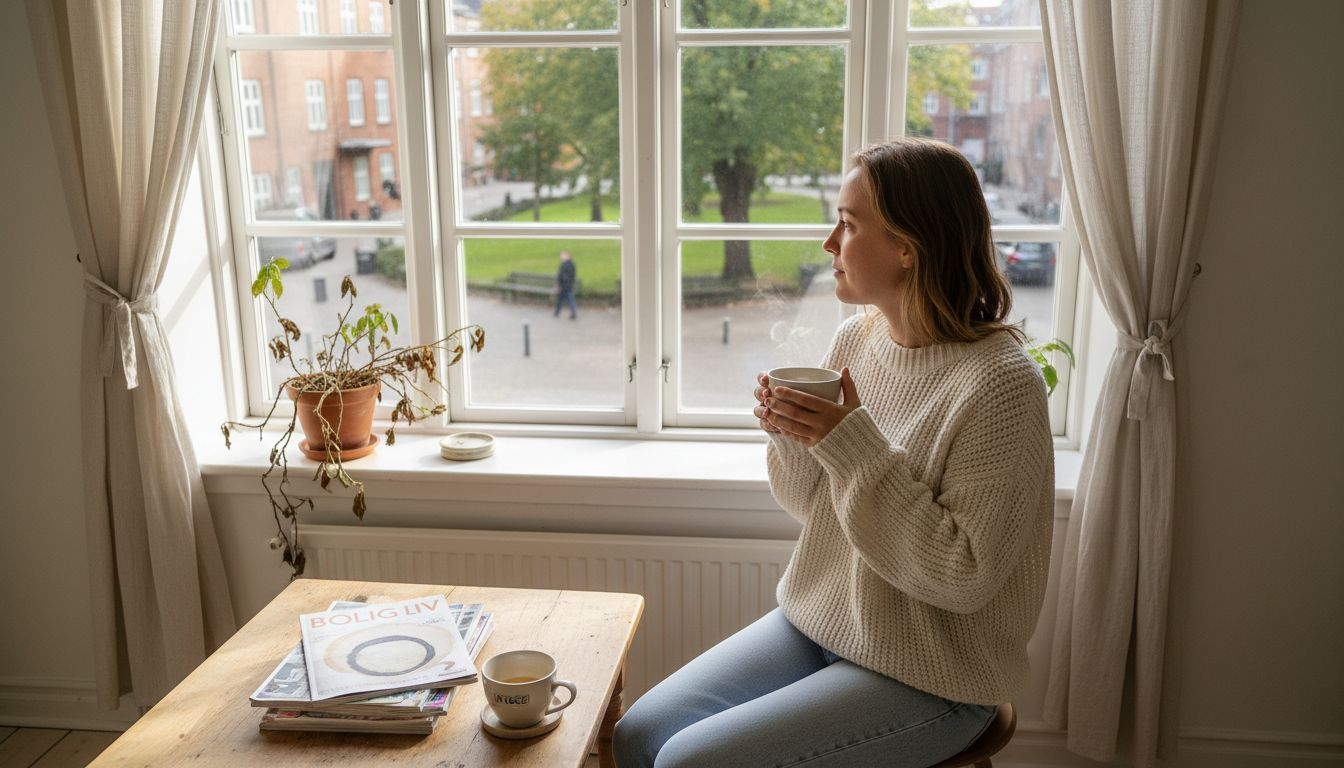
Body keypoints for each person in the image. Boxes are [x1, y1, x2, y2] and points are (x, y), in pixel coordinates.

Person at [612, 138, 1054, 768]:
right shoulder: (858, 338)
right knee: (637, 736)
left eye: (848, 224)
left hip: (938, 674)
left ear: (908, 246)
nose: (829, 243)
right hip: (823, 622)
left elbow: (963, 576)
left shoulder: (1001, 385)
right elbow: (812, 506)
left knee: (689, 762)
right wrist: (793, 434)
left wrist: (850, 445)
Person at [553, 250, 578, 319]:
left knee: (567, 300)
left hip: (565, 286)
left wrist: (558, 284)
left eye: (562, 256)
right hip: (567, 285)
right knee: (562, 300)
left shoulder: (566, 265)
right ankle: (557, 312)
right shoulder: (570, 264)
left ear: (568, 256)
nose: (561, 257)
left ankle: (571, 314)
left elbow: (562, 276)